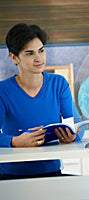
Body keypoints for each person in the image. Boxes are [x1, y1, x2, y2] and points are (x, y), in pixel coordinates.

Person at [0, 23, 84, 180]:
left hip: (52, 173)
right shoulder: (3, 90)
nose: (38, 58)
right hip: (11, 176)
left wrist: (73, 136)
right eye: (29, 53)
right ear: (14, 57)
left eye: (41, 51)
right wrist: (14, 141)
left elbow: (76, 123)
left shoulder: (59, 84)